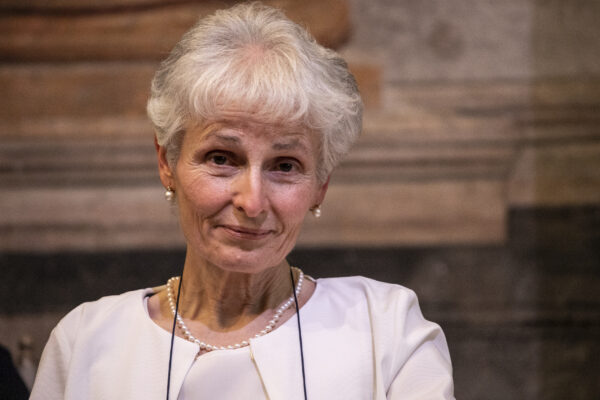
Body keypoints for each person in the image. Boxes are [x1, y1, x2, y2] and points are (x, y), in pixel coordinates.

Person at [30, 3, 454, 399]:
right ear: (167, 162)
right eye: (222, 158)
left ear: (320, 185)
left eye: (285, 166)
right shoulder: (86, 341)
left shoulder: (388, 331)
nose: (252, 202)